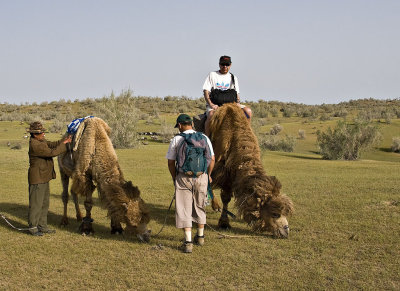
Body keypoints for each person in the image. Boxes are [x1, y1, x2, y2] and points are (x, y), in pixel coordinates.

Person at [166, 114, 215, 253]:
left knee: (184, 207)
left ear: (180, 125)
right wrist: (208, 175)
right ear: (192, 124)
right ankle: (200, 237)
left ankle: (188, 242)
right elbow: (212, 159)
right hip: (202, 176)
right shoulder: (204, 137)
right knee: (200, 205)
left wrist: (174, 177)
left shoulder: (177, 139)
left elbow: (170, 162)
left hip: (183, 177)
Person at [27, 121, 72, 236]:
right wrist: (65, 145)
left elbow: (52, 144)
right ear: (34, 134)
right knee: (36, 204)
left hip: (44, 177)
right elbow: (53, 152)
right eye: (41, 132)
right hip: (37, 178)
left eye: (43, 132)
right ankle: (33, 228)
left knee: (44, 203)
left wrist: (64, 140)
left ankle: (42, 226)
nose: (43, 134)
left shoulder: (40, 141)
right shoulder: (35, 145)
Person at [203, 55, 252, 136]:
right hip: (216, 104)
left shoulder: (233, 77)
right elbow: (206, 91)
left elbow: (237, 93)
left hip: (231, 104)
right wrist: (211, 105)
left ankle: (246, 134)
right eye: (223, 64)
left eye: (227, 65)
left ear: (230, 65)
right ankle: (207, 140)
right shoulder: (212, 75)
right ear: (219, 64)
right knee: (211, 115)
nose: (225, 67)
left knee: (248, 111)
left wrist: (238, 103)